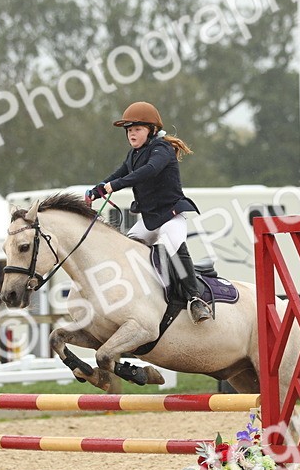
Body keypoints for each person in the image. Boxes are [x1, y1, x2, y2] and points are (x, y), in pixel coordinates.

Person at [85, 101, 211, 323]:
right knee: (126, 248)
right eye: (129, 130)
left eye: (137, 130)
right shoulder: (133, 155)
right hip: (151, 219)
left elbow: (149, 171)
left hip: (171, 215)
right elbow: (118, 173)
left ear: (151, 130)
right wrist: (98, 189)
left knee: (173, 245)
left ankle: (195, 299)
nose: (132, 134)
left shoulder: (162, 149)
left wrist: (115, 186)